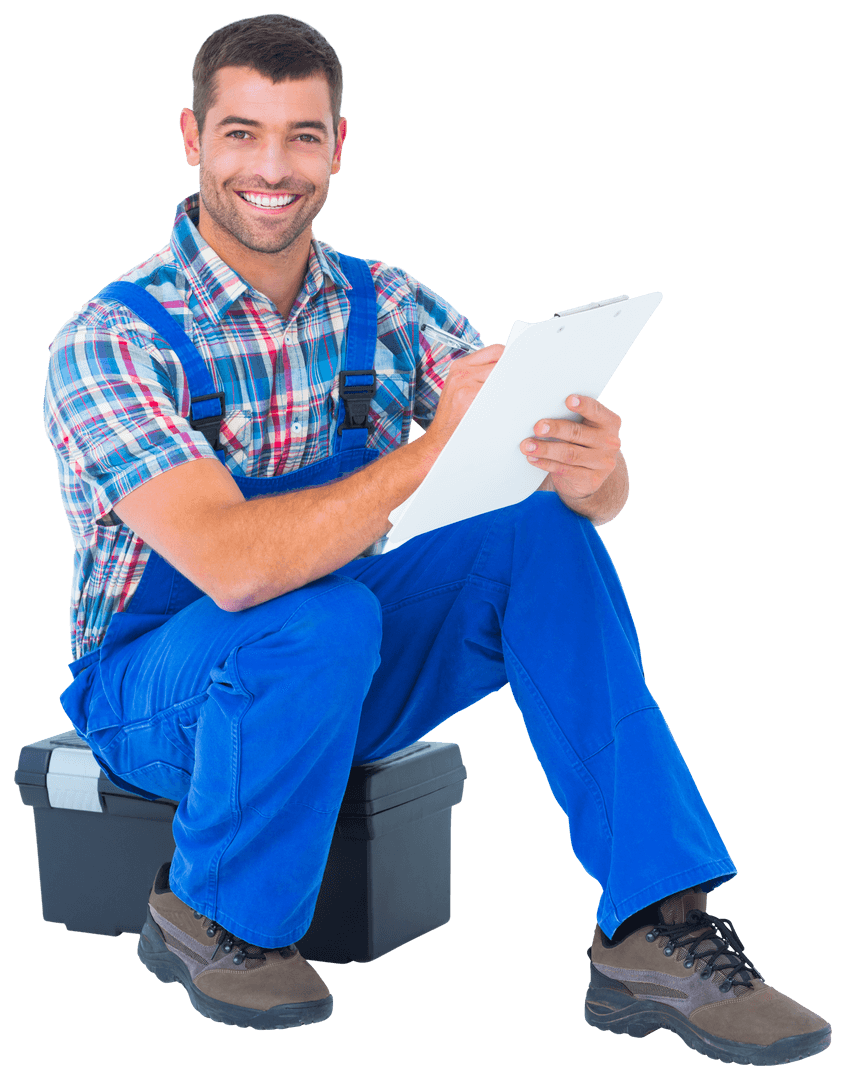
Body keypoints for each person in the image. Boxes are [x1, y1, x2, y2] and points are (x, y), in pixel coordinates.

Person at [44, 12, 830, 1062]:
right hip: (157, 695)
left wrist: (597, 478)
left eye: (302, 135)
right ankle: (215, 911)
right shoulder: (110, 340)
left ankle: (653, 922)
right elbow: (231, 567)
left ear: (340, 144)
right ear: (193, 138)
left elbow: (517, 465)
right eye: (242, 134)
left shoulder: (390, 303)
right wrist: (426, 454)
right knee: (310, 617)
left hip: (340, 663)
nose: (271, 167)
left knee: (537, 529)